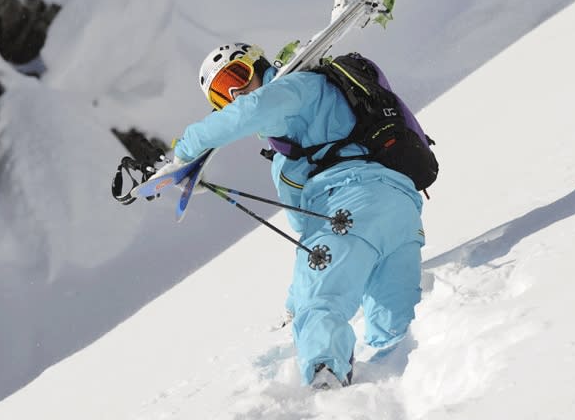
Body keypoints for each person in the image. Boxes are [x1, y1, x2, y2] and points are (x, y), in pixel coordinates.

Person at [171, 42, 425, 389]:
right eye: (222, 95)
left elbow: (251, 110)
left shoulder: (295, 87)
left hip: (350, 205)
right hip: (402, 210)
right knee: (397, 341)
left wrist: (184, 150)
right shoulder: (289, 153)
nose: (236, 92)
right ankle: (413, 394)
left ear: (258, 65)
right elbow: (308, 232)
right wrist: (294, 299)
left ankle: (327, 390)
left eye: (237, 76)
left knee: (321, 303)